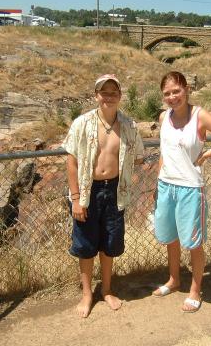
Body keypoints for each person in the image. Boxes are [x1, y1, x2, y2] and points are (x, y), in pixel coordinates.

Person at [153, 71, 211, 312]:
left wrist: (207, 154)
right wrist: (157, 184)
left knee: (193, 243)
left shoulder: (199, 116)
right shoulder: (163, 117)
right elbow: (164, 152)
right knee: (170, 238)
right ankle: (174, 279)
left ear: (187, 89)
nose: (172, 97)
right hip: (166, 185)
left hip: (190, 189)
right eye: (167, 93)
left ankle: (194, 289)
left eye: (176, 91)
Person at [62, 74, 144, 317]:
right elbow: (71, 162)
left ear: (120, 95)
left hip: (115, 191)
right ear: (96, 95)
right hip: (88, 192)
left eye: (113, 92)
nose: (109, 96)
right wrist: (76, 199)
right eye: (104, 92)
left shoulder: (129, 126)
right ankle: (87, 294)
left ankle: (107, 290)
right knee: (85, 245)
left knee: (110, 244)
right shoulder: (82, 123)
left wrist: (128, 178)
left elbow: (138, 156)